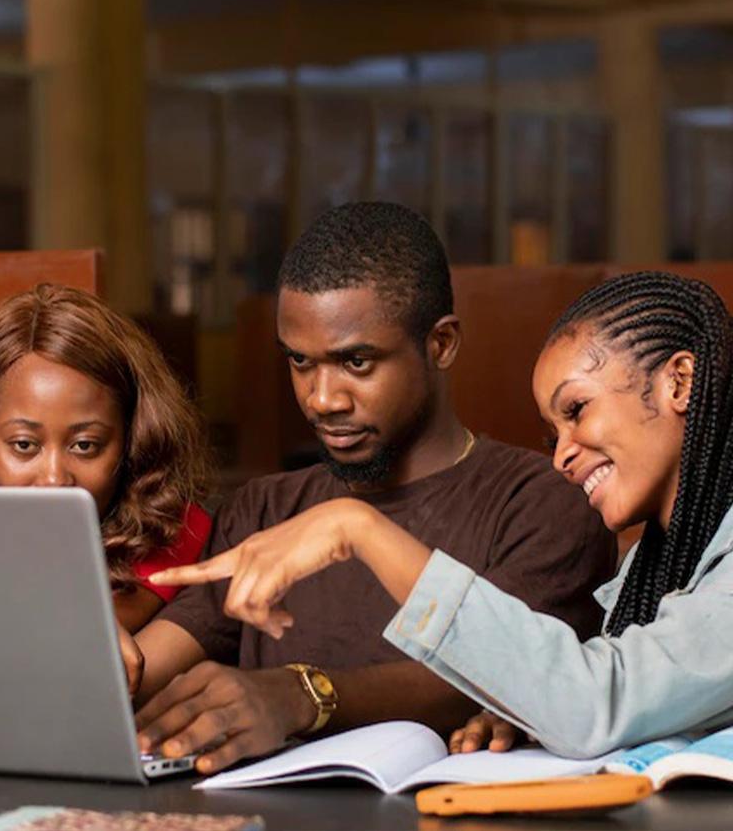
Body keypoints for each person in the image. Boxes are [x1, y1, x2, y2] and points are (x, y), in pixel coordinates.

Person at [131, 201, 616, 774]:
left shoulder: (542, 503)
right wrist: (99, 665)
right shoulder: (263, 508)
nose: (322, 398)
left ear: (441, 345)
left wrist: (297, 697)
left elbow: (506, 672)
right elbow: (144, 666)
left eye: (356, 362)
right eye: (300, 362)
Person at [170, 270, 733, 759]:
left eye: (577, 409)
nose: (561, 455)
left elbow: (594, 702)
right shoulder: (655, 562)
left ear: (679, 381)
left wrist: (355, 527)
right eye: (552, 430)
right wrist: (529, 714)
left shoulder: (535, 506)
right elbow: (617, 693)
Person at [0, 283, 212, 634]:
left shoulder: (174, 528)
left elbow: (67, 642)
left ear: (131, 442)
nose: (54, 478)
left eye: (84, 445)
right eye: (23, 445)